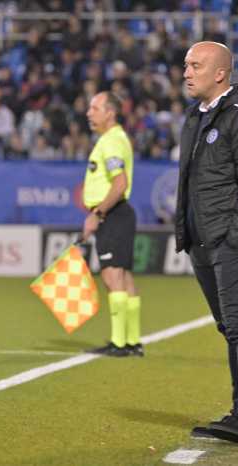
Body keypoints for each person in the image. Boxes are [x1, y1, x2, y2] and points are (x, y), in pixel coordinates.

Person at [175, 42, 238, 447]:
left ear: (220, 73)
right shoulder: (194, 117)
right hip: (203, 241)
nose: (186, 72)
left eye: (195, 65)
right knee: (228, 326)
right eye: (185, 64)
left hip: (232, 240)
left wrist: (237, 235)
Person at [82, 91, 142, 358]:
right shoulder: (116, 139)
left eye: (94, 108)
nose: (88, 113)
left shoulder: (111, 142)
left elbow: (120, 184)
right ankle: (131, 341)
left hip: (112, 213)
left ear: (110, 112)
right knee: (124, 277)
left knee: (111, 275)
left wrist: (97, 214)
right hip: (120, 213)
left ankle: (119, 343)